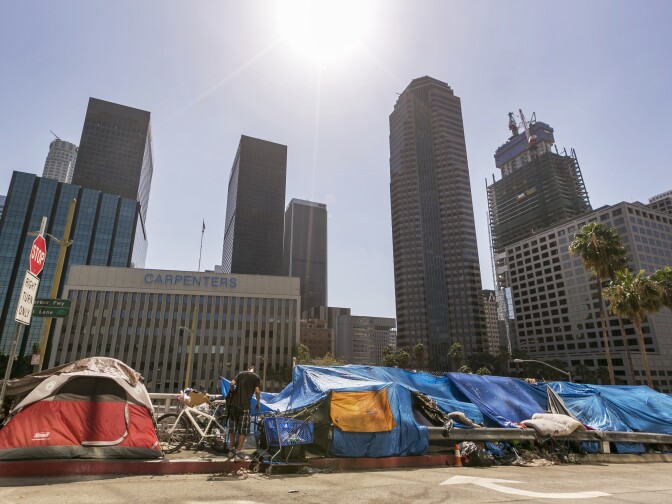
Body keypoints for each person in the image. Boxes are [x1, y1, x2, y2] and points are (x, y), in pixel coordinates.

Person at [227, 366, 261, 460]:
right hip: (245, 407)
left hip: (234, 405)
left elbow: (232, 383)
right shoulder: (256, 377)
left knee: (233, 428)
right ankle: (238, 451)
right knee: (243, 430)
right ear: (255, 371)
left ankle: (231, 450)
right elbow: (257, 391)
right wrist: (258, 402)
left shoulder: (241, 374)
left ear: (248, 369)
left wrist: (233, 391)